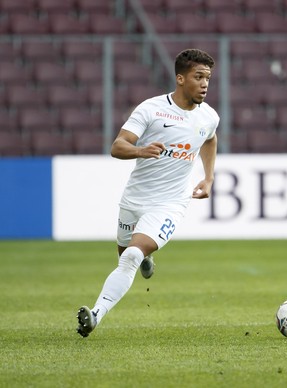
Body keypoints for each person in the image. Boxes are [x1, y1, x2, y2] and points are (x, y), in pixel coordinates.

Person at [76, 48, 219, 337]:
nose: (205, 84)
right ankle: (145, 256)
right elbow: (117, 146)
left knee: (130, 257)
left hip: (170, 203)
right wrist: (141, 149)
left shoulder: (209, 117)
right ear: (180, 78)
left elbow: (210, 139)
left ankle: (95, 315)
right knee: (125, 255)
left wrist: (208, 178)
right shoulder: (151, 110)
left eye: (208, 78)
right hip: (134, 199)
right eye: (198, 77)